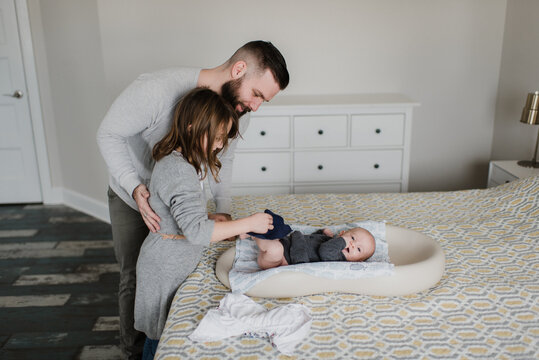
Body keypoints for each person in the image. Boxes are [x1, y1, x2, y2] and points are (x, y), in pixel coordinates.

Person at [96, 41, 288, 359]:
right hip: (133, 191)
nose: (256, 106)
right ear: (239, 70)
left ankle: (165, 337)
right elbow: (108, 134)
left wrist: (223, 212)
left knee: (167, 273)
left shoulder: (234, 112)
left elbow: (223, 162)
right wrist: (135, 188)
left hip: (179, 201)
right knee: (135, 276)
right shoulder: (158, 90)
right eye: (258, 94)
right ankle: (134, 351)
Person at [133, 87, 275, 359]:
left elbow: (180, 215)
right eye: (219, 137)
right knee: (159, 338)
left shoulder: (182, 162)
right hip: (164, 267)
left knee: (162, 331)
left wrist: (211, 217)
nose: (221, 145)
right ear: (192, 127)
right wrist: (247, 224)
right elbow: (197, 232)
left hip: (171, 258)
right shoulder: (179, 171)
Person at [254, 227, 376, 270]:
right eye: (353, 238)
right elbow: (313, 239)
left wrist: (344, 240)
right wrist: (322, 233)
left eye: (358, 249)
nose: (352, 245)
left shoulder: (338, 259)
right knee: (276, 228)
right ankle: (257, 232)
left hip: (280, 259)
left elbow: (324, 251)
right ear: (342, 233)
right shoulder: (332, 241)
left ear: (358, 261)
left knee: (274, 250)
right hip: (287, 241)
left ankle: (253, 234)